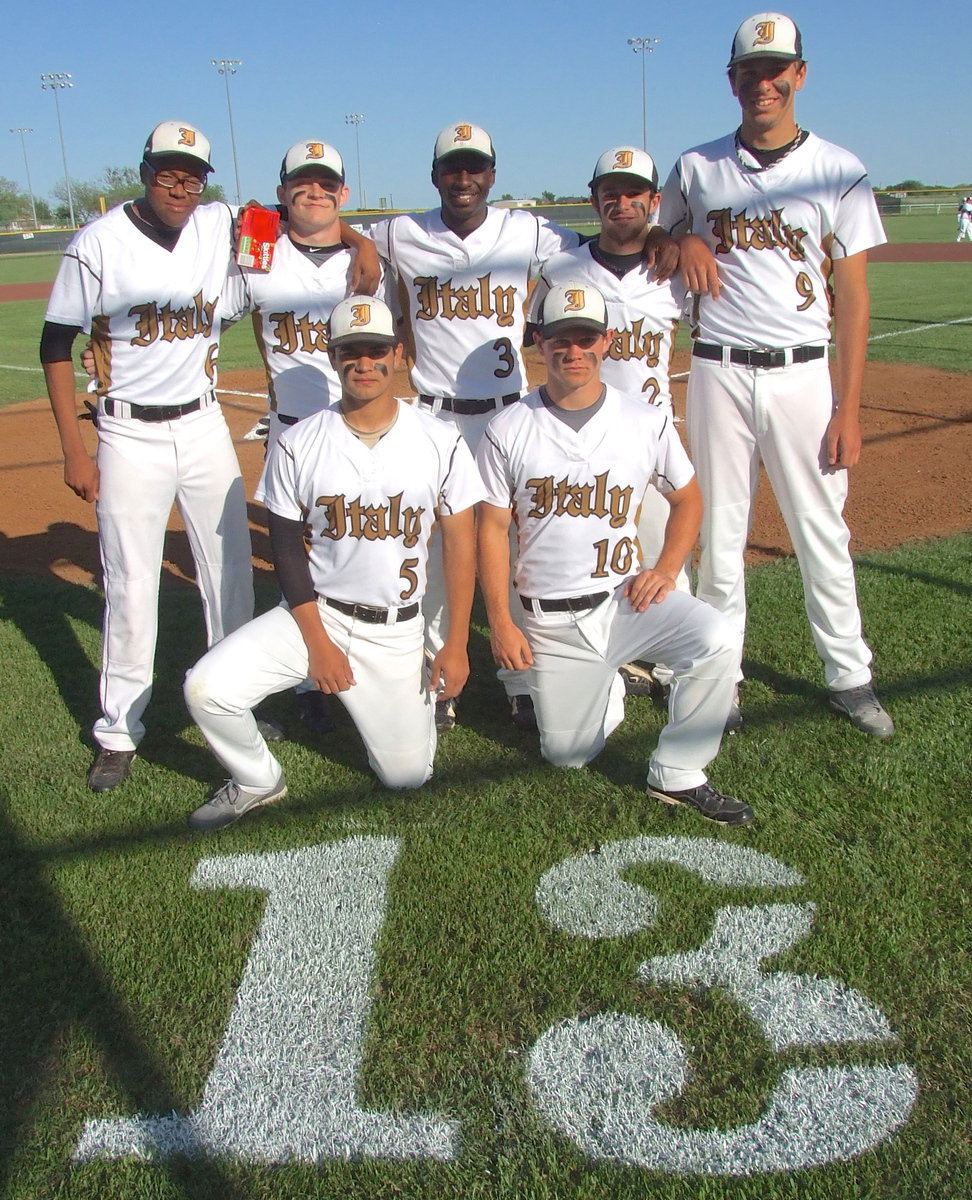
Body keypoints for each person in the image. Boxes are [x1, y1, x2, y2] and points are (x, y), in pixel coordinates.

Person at [658, 12, 894, 738]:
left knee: (822, 529)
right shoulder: (696, 168)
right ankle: (719, 680)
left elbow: (853, 297)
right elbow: (655, 239)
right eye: (749, 72)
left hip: (801, 372)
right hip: (718, 368)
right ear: (732, 81)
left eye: (775, 69)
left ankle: (849, 674)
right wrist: (683, 237)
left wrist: (848, 408)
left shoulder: (838, 166)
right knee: (722, 539)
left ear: (799, 73)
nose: (763, 82)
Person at [183, 296, 484, 831]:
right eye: (350, 352)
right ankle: (257, 779)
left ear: (397, 354)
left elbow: (462, 543)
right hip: (314, 615)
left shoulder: (438, 438)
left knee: (407, 777)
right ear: (333, 355)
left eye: (374, 351)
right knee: (206, 688)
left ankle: (398, 709)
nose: (363, 364)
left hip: (395, 630)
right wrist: (319, 646)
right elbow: (283, 547)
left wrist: (455, 643)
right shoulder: (299, 441)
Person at [476, 282, 752, 826]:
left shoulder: (644, 418)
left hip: (626, 601)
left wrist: (668, 568)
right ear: (538, 342)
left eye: (585, 338)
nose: (573, 351)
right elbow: (491, 528)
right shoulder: (507, 427)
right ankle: (611, 686)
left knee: (716, 639)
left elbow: (688, 499)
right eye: (560, 339)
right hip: (551, 620)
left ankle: (679, 774)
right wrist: (501, 624)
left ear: (607, 341)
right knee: (567, 757)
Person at [41, 121, 256, 793]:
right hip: (127, 433)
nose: (180, 185)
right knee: (132, 583)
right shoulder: (98, 242)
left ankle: (237, 705)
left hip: (203, 424)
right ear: (144, 171)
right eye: (168, 172)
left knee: (230, 575)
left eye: (192, 175)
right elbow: (55, 344)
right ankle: (118, 729)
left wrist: (361, 242)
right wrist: (75, 451)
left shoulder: (219, 223)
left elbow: (290, 217)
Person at [368, 122, 584, 734]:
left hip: (507, 412)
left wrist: (669, 239)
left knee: (517, 549)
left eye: (475, 168)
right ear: (434, 175)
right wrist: (361, 248)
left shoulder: (527, 230)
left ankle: (520, 677)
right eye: (451, 168)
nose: (463, 179)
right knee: (435, 551)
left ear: (492, 173)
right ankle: (441, 680)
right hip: (435, 415)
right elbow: (338, 237)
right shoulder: (400, 232)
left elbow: (596, 249)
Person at [221, 138, 389, 734]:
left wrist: (362, 239)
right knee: (296, 559)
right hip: (294, 434)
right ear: (282, 191)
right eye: (301, 183)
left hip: (365, 430)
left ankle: (378, 661)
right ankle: (305, 679)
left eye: (326, 184)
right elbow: (203, 314)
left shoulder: (371, 260)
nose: (313, 192)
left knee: (369, 548)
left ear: (343, 194)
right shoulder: (256, 255)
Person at [528, 146, 690, 704]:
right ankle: (593, 657)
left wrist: (679, 240)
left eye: (634, 193)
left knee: (662, 556)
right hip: (574, 435)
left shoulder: (675, 271)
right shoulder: (562, 270)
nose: (621, 203)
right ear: (594, 199)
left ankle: (676, 671)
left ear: (653, 201)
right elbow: (539, 339)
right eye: (610, 193)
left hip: (648, 439)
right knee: (579, 558)